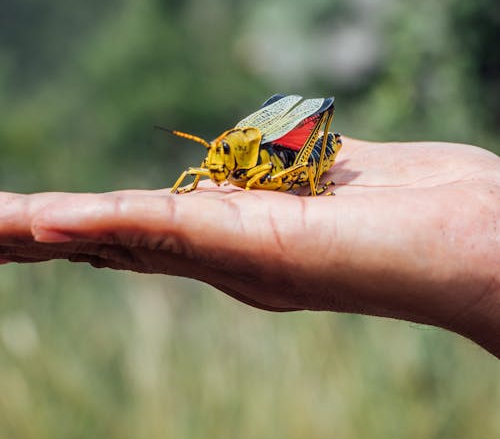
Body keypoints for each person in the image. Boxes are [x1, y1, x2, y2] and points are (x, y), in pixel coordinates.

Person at [0, 137, 498, 356]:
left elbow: (277, 168)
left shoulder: (260, 159)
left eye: (219, 154)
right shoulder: (213, 163)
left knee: (302, 170)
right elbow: (198, 174)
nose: (211, 162)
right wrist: (185, 194)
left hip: (300, 163)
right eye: (212, 154)